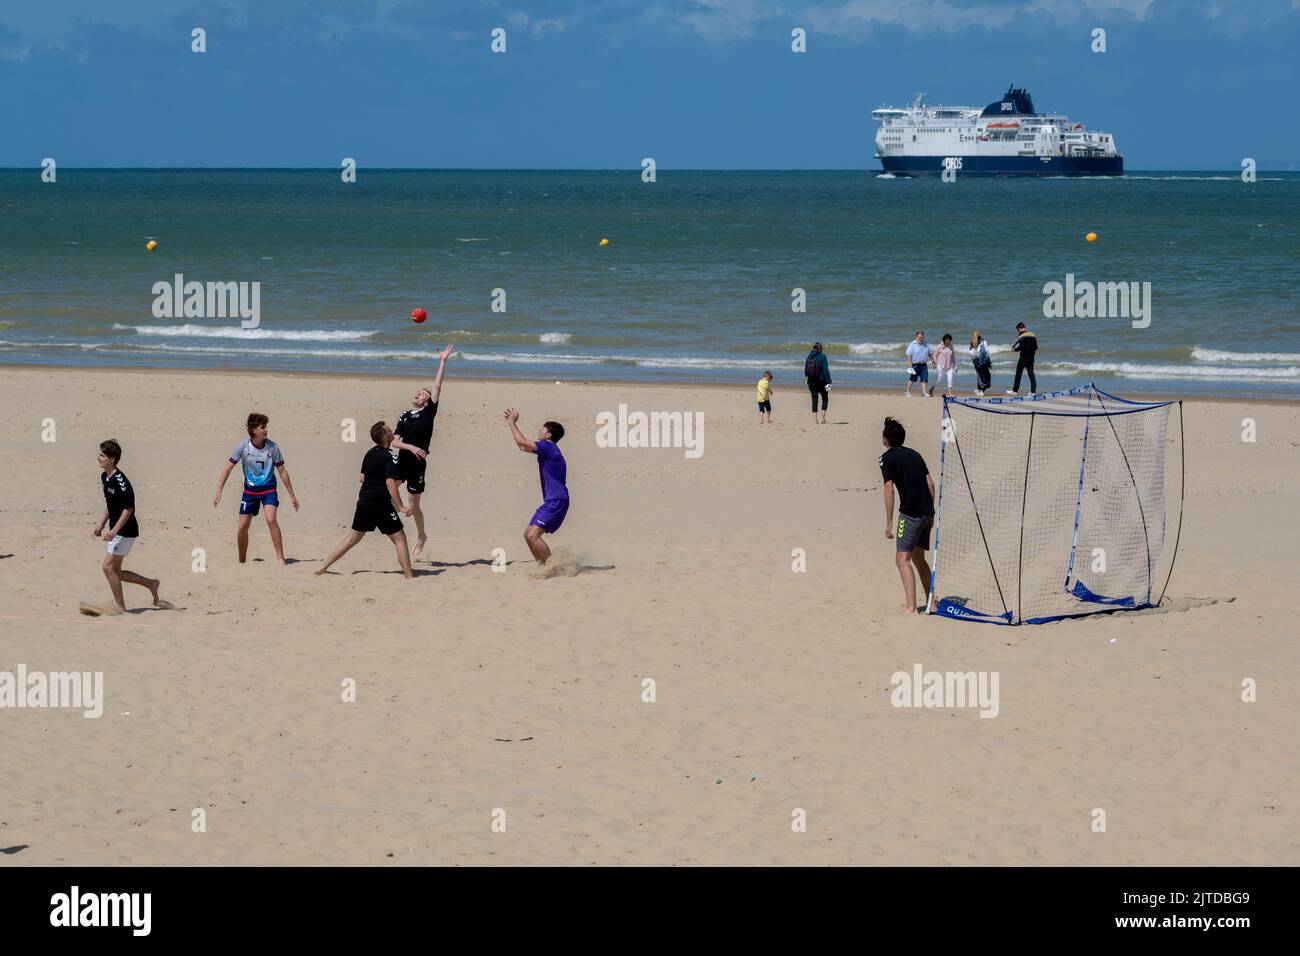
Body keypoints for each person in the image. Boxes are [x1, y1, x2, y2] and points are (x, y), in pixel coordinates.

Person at [315, 422, 415, 579]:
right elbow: (390, 483)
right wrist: (401, 506)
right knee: (400, 539)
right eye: (389, 430)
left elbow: (362, 477)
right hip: (381, 505)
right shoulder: (390, 456)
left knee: (351, 538)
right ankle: (409, 577)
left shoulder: (369, 453)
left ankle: (323, 566)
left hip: (364, 502)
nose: (392, 431)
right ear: (385, 436)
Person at [389, 342, 455, 558]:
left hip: (417, 464)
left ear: (428, 401)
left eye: (422, 393)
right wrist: (411, 446)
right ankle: (397, 521)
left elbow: (437, 387)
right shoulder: (404, 415)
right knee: (388, 488)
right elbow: (394, 442)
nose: (418, 393)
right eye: (417, 391)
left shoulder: (429, 413)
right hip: (403, 460)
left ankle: (421, 535)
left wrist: (442, 361)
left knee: (415, 505)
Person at [213, 412, 299, 565]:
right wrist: (219, 490)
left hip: (268, 489)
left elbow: (282, 471)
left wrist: (292, 495)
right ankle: (242, 560)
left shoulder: (272, 448)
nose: (266, 430)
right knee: (243, 526)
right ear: (254, 430)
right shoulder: (243, 447)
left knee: (271, 519)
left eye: (266, 427)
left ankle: (280, 558)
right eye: (263, 427)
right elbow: (228, 468)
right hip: (250, 491)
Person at [93, 439, 164, 613]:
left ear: (112, 459)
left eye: (102, 455)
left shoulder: (120, 480)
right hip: (117, 529)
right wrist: (101, 523)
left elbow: (128, 508)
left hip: (126, 529)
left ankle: (120, 607)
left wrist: (114, 530)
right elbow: (110, 505)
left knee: (107, 567)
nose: (98, 458)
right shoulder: (105, 477)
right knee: (116, 571)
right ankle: (151, 584)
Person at [879, 417, 936, 615]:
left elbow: (889, 489)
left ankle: (911, 607)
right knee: (919, 558)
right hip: (927, 513)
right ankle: (933, 603)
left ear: (886, 438)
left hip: (910, 515)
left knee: (902, 559)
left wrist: (889, 522)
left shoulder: (886, 458)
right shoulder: (915, 454)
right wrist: (932, 512)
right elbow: (930, 483)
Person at [503, 409, 567, 565]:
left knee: (533, 535)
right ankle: (542, 564)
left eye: (543, 429)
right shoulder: (548, 450)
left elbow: (522, 442)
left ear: (548, 435)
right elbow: (522, 447)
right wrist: (513, 427)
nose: (540, 430)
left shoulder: (548, 446)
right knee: (527, 534)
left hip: (556, 500)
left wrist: (512, 423)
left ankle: (551, 566)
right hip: (553, 500)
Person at [1007, 322, 1038, 395]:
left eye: (1018, 330)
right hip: (1031, 357)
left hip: (1023, 357)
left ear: (1020, 328)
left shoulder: (1022, 335)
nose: (1018, 332)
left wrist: (1014, 349)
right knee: (1031, 374)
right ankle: (1033, 392)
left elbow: (1022, 347)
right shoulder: (1033, 335)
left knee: (1018, 373)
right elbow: (1036, 347)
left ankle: (1014, 391)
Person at [804, 343, 831, 424]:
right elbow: (826, 371)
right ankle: (823, 419)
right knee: (825, 399)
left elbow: (805, 371)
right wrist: (829, 382)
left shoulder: (809, 356)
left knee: (814, 400)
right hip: (822, 381)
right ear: (821, 349)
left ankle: (815, 420)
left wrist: (806, 382)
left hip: (811, 381)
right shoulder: (823, 356)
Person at [905, 331, 933, 397]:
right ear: (916, 337)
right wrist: (910, 365)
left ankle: (924, 393)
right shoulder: (912, 344)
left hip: (923, 365)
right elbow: (909, 355)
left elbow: (930, 354)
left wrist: (933, 361)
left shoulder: (926, 344)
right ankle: (907, 391)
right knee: (913, 379)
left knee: (924, 379)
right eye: (920, 337)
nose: (921, 338)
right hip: (915, 365)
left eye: (922, 337)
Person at [969, 331, 992, 396]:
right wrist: (989, 362)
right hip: (981, 361)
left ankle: (979, 390)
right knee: (983, 376)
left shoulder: (976, 343)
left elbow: (971, 354)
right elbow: (987, 352)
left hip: (980, 361)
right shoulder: (982, 342)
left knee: (982, 376)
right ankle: (980, 390)